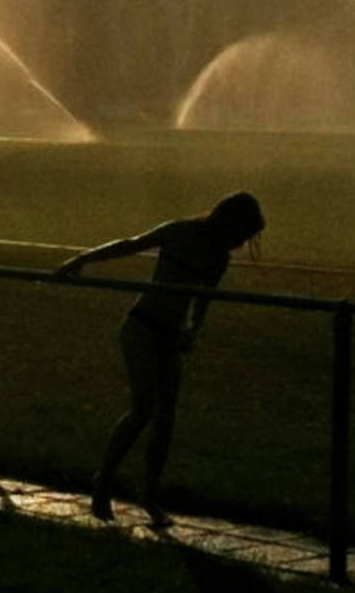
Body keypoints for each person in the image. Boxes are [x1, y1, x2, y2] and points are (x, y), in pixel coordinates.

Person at [56, 191, 265, 527]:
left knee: (166, 418)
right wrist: (80, 260)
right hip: (142, 328)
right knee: (143, 409)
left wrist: (192, 331)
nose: (241, 243)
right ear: (228, 221)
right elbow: (128, 245)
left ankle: (149, 496)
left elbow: (202, 301)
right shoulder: (178, 232)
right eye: (241, 234)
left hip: (170, 337)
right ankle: (103, 482)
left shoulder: (219, 258)